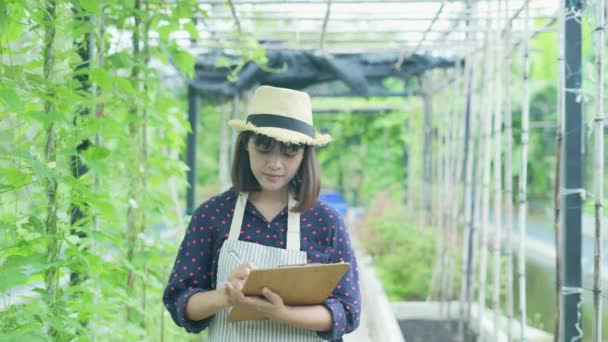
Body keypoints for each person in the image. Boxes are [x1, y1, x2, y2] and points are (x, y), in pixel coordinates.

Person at [163, 85, 361, 341]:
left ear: (304, 155)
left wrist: (282, 313)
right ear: (246, 145)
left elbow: (348, 311)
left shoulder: (325, 222)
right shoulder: (213, 215)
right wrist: (224, 295)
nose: (275, 164)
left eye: (289, 152)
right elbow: (180, 300)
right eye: (264, 149)